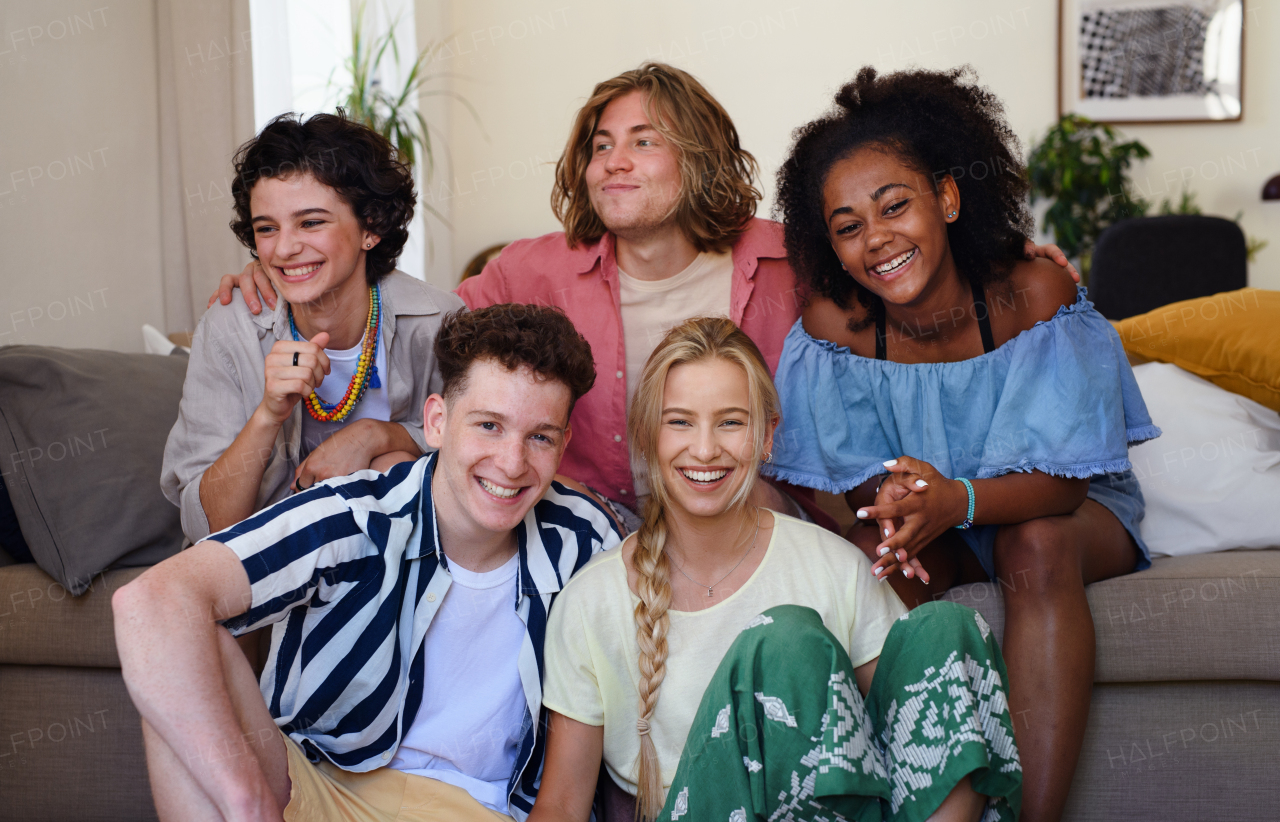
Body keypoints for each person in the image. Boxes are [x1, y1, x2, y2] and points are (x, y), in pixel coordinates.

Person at [208, 63, 1078, 527]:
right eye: (600, 145)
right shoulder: (532, 272)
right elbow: (431, 320)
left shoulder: (789, 260)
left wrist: (1006, 258)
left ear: (695, 155)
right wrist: (292, 264)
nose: (612, 160)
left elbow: (902, 276)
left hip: (756, 518)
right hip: (594, 531)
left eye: (643, 141)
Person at [767, 67, 1160, 822]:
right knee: (870, 561)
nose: (876, 239)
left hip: (1056, 509)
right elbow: (845, 475)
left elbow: (1063, 482)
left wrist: (959, 499)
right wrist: (886, 506)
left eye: (895, 206)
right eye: (848, 227)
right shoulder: (833, 328)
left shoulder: (1034, 297)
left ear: (947, 198)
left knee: (1034, 544)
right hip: (933, 518)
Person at [115, 304, 623, 822]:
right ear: (437, 422)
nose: (512, 464)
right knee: (183, 645)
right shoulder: (356, 514)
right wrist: (242, 799)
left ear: (564, 445)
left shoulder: (587, 540)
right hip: (312, 789)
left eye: (540, 437)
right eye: (489, 425)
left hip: (475, 809)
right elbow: (145, 600)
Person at [530, 317, 1021, 822]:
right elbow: (563, 804)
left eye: (731, 422)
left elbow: (909, 725)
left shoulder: (830, 565)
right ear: (646, 435)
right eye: (679, 421)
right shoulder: (591, 601)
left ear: (766, 437)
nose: (704, 449)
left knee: (946, 628)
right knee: (783, 641)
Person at [163, 111, 465, 545]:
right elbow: (206, 529)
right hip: (271, 565)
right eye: (267, 228)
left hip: (405, 561)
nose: (284, 249)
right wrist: (268, 414)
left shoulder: (438, 321)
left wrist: (378, 435)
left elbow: (480, 453)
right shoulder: (229, 330)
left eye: (311, 222)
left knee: (394, 463)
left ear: (371, 227)